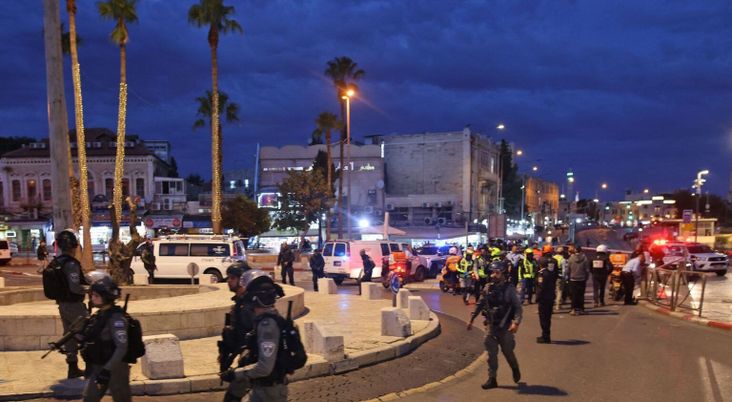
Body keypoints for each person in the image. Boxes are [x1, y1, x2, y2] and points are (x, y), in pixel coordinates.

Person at [221, 270, 287, 402]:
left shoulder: (267, 326)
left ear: (254, 299)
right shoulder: (266, 320)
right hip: (263, 388)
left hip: (268, 391)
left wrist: (235, 374)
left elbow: (265, 367)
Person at [468, 261, 522, 390]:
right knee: (491, 355)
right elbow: (480, 304)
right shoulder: (487, 288)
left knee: (507, 352)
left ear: (503, 274)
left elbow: (518, 308)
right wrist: (471, 319)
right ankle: (492, 379)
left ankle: (515, 368)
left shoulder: (509, 289)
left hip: (505, 327)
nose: (493, 275)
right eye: (492, 272)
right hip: (491, 327)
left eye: (497, 272)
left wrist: (516, 323)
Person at [81, 276, 131, 402]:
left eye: (96, 295)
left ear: (105, 297)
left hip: (115, 367)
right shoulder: (100, 315)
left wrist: (107, 370)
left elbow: (121, 347)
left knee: (121, 398)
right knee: (89, 398)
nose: (92, 298)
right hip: (99, 364)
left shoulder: (116, 319)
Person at [48, 229, 89, 379]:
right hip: (74, 304)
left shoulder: (57, 261)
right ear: (73, 245)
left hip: (63, 304)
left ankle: (72, 367)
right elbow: (75, 287)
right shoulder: (71, 264)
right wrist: (92, 289)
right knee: (86, 333)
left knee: (69, 335)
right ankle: (91, 366)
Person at [220, 262, 256, 399]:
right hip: (245, 360)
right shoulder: (240, 303)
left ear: (242, 280)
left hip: (251, 361)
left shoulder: (248, 305)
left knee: (232, 398)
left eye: (232, 278)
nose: (228, 281)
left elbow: (256, 335)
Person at [536, 253, 558, 343]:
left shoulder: (541, 274)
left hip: (544, 299)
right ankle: (546, 335)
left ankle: (545, 337)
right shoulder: (551, 273)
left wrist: (538, 297)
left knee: (543, 318)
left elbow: (541, 287)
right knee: (548, 318)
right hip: (550, 297)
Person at [566, 245, 590, 315]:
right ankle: (581, 309)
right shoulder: (584, 258)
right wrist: (586, 278)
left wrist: (568, 277)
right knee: (581, 295)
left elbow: (568, 269)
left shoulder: (571, 258)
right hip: (582, 279)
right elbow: (587, 270)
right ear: (581, 250)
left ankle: (573, 309)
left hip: (573, 279)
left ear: (575, 251)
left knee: (574, 295)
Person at [552, 246, 567, 311]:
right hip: (560, 276)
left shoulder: (553, 258)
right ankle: (558, 305)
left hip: (553, 277)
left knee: (553, 291)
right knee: (559, 291)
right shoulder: (563, 259)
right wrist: (564, 278)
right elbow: (564, 270)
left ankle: (553, 304)